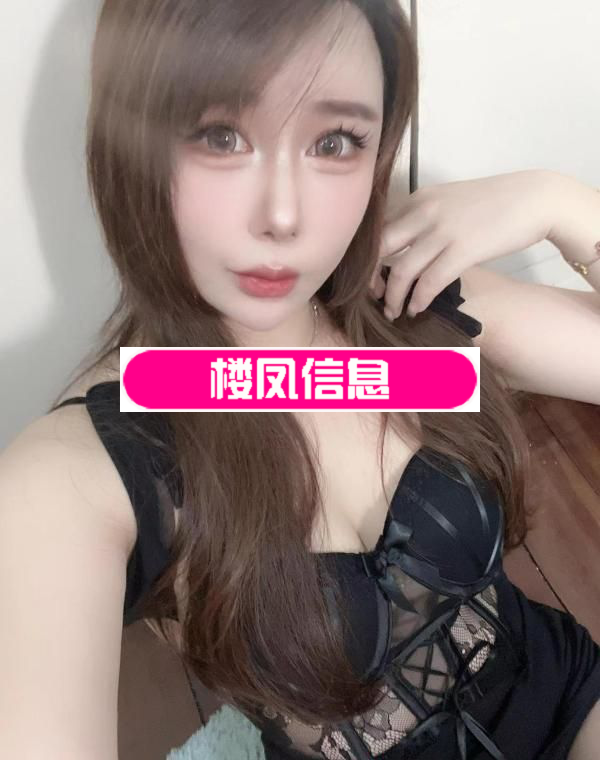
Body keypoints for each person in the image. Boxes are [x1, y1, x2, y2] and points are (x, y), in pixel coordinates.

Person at [1, 1, 599, 758]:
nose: (283, 216)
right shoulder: (79, 475)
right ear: (132, 146)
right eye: (221, 136)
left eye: (335, 141)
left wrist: (559, 205)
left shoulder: (404, 304)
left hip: (565, 699)